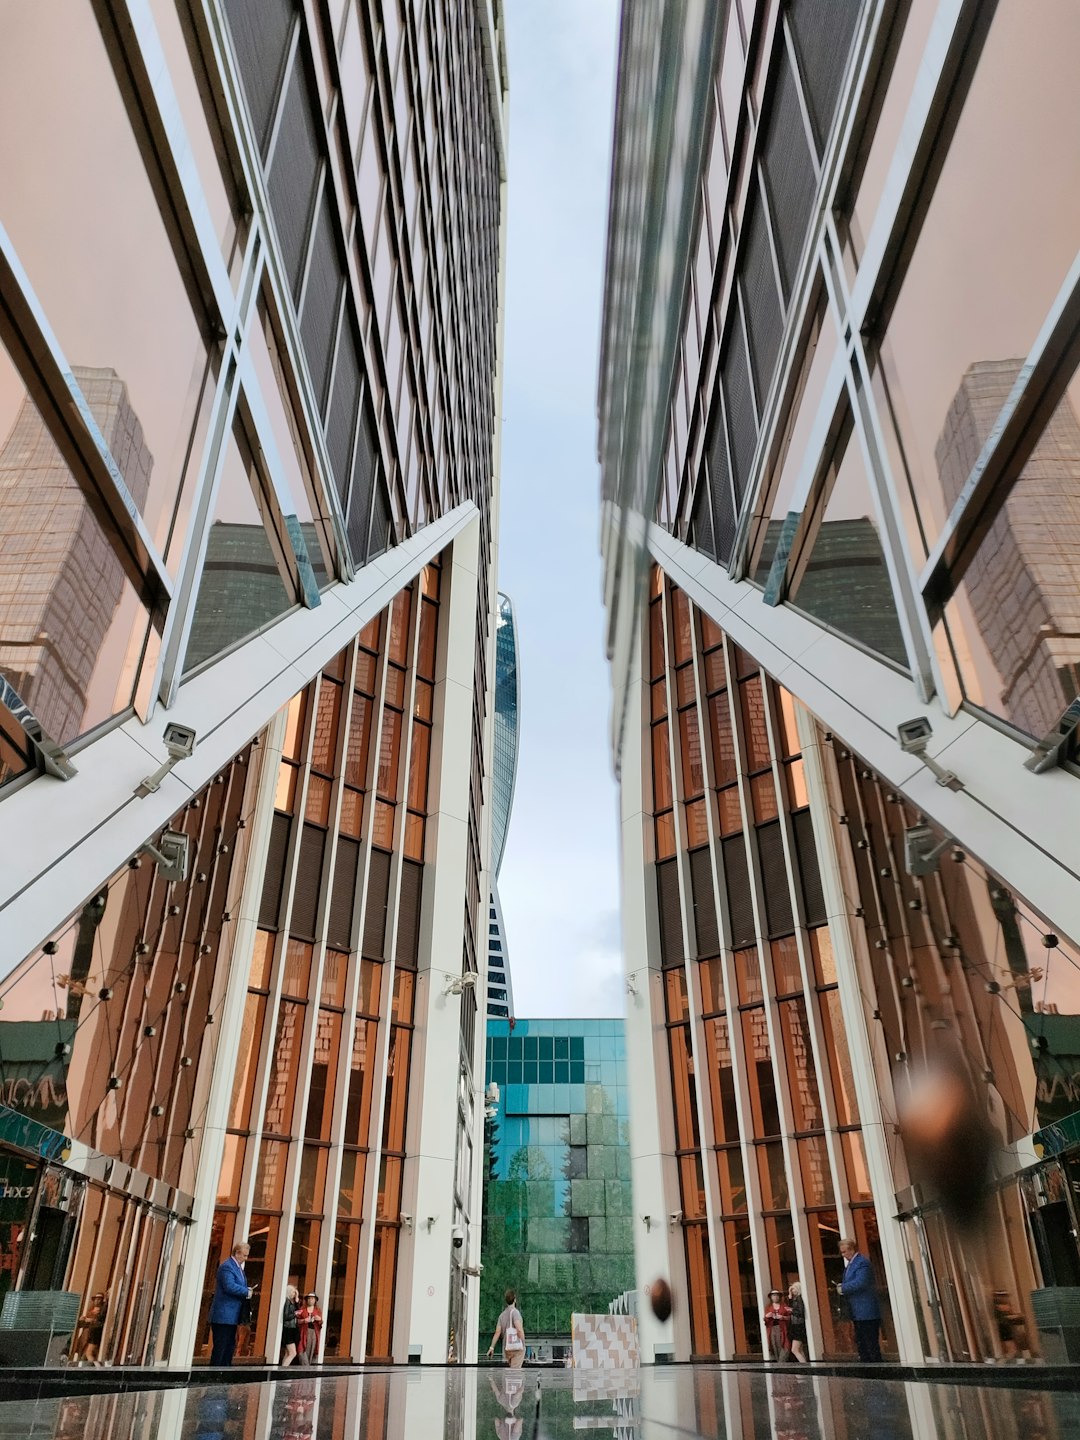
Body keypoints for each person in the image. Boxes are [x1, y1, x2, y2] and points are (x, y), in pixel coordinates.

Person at [836, 1237, 882, 1361]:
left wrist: (844, 1287)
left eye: (844, 1252)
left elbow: (861, 1282)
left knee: (870, 1343)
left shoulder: (862, 1263)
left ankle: (876, 1369)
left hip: (866, 1311)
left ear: (851, 1250)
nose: (843, 1255)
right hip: (857, 1311)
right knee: (862, 1342)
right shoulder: (851, 1265)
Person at [208, 1241, 254, 1366]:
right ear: (237, 1253)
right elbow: (229, 1286)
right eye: (244, 1255)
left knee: (229, 1346)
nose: (246, 1258)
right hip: (223, 1315)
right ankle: (215, 1374)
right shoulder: (227, 1266)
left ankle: (223, 1373)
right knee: (221, 1347)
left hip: (231, 1316)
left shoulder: (238, 1268)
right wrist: (246, 1291)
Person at [487, 1288, 526, 1368]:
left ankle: (508, 1380)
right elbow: (519, 1329)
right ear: (515, 1300)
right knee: (515, 1373)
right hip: (517, 1348)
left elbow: (497, 1332)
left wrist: (492, 1347)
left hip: (507, 1347)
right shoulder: (515, 1312)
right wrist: (523, 1342)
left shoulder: (502, 1315)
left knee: (510, 1371)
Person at [763, 1288, 792, 1360]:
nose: (775, 1297)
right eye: (773, 1295)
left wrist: (782, 1317)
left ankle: (782, 1361)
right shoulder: (768, 1307)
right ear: (771, 1297)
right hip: (772, 1328)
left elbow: (790, 1317)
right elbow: (766, 1321)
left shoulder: (784, 1306)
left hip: (782, 1328)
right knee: (774, 1345)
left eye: (776, 1295)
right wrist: (766, 1316)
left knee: (784, 1345)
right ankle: (777, 1361)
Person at [297, 1292, 323, 1364]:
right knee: (302, 1349)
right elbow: (296, 1321)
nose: (310, 1300)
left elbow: (321, 1323)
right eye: (309, 1298)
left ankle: (309, 1365)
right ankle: (304, 1365)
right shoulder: (302, 1309)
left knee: (312, 1349)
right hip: (304, 1332)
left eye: (312, 1299)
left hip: (314, 1332)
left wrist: (319, 1319)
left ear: (315, 1300)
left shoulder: (318, 1310)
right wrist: (304, 1320)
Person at [787, 1281, 808, 1362]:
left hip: (798, 1326)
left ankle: (805, 1367)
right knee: (799, 1349)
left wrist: (791, 1310)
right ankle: (805, 1365)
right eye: (792, 1290)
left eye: (794, 1289)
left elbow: (800, 1312)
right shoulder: (796, 1299)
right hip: (797, 1325)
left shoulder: (799, 1299)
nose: (793, 1291)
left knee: (794, 1350)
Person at [281, 1285, 300, 1365]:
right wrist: (295, 1314)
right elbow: (286, 1316)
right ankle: (282, 1371)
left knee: (288, 1353)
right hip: (288, 1329)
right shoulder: (287, 1302)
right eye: (293, 1292)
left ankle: (282, 1369)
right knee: (293, 1353)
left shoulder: (291, 1302)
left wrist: (297, 1299)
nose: (294, 1294)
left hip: (290, 1329)